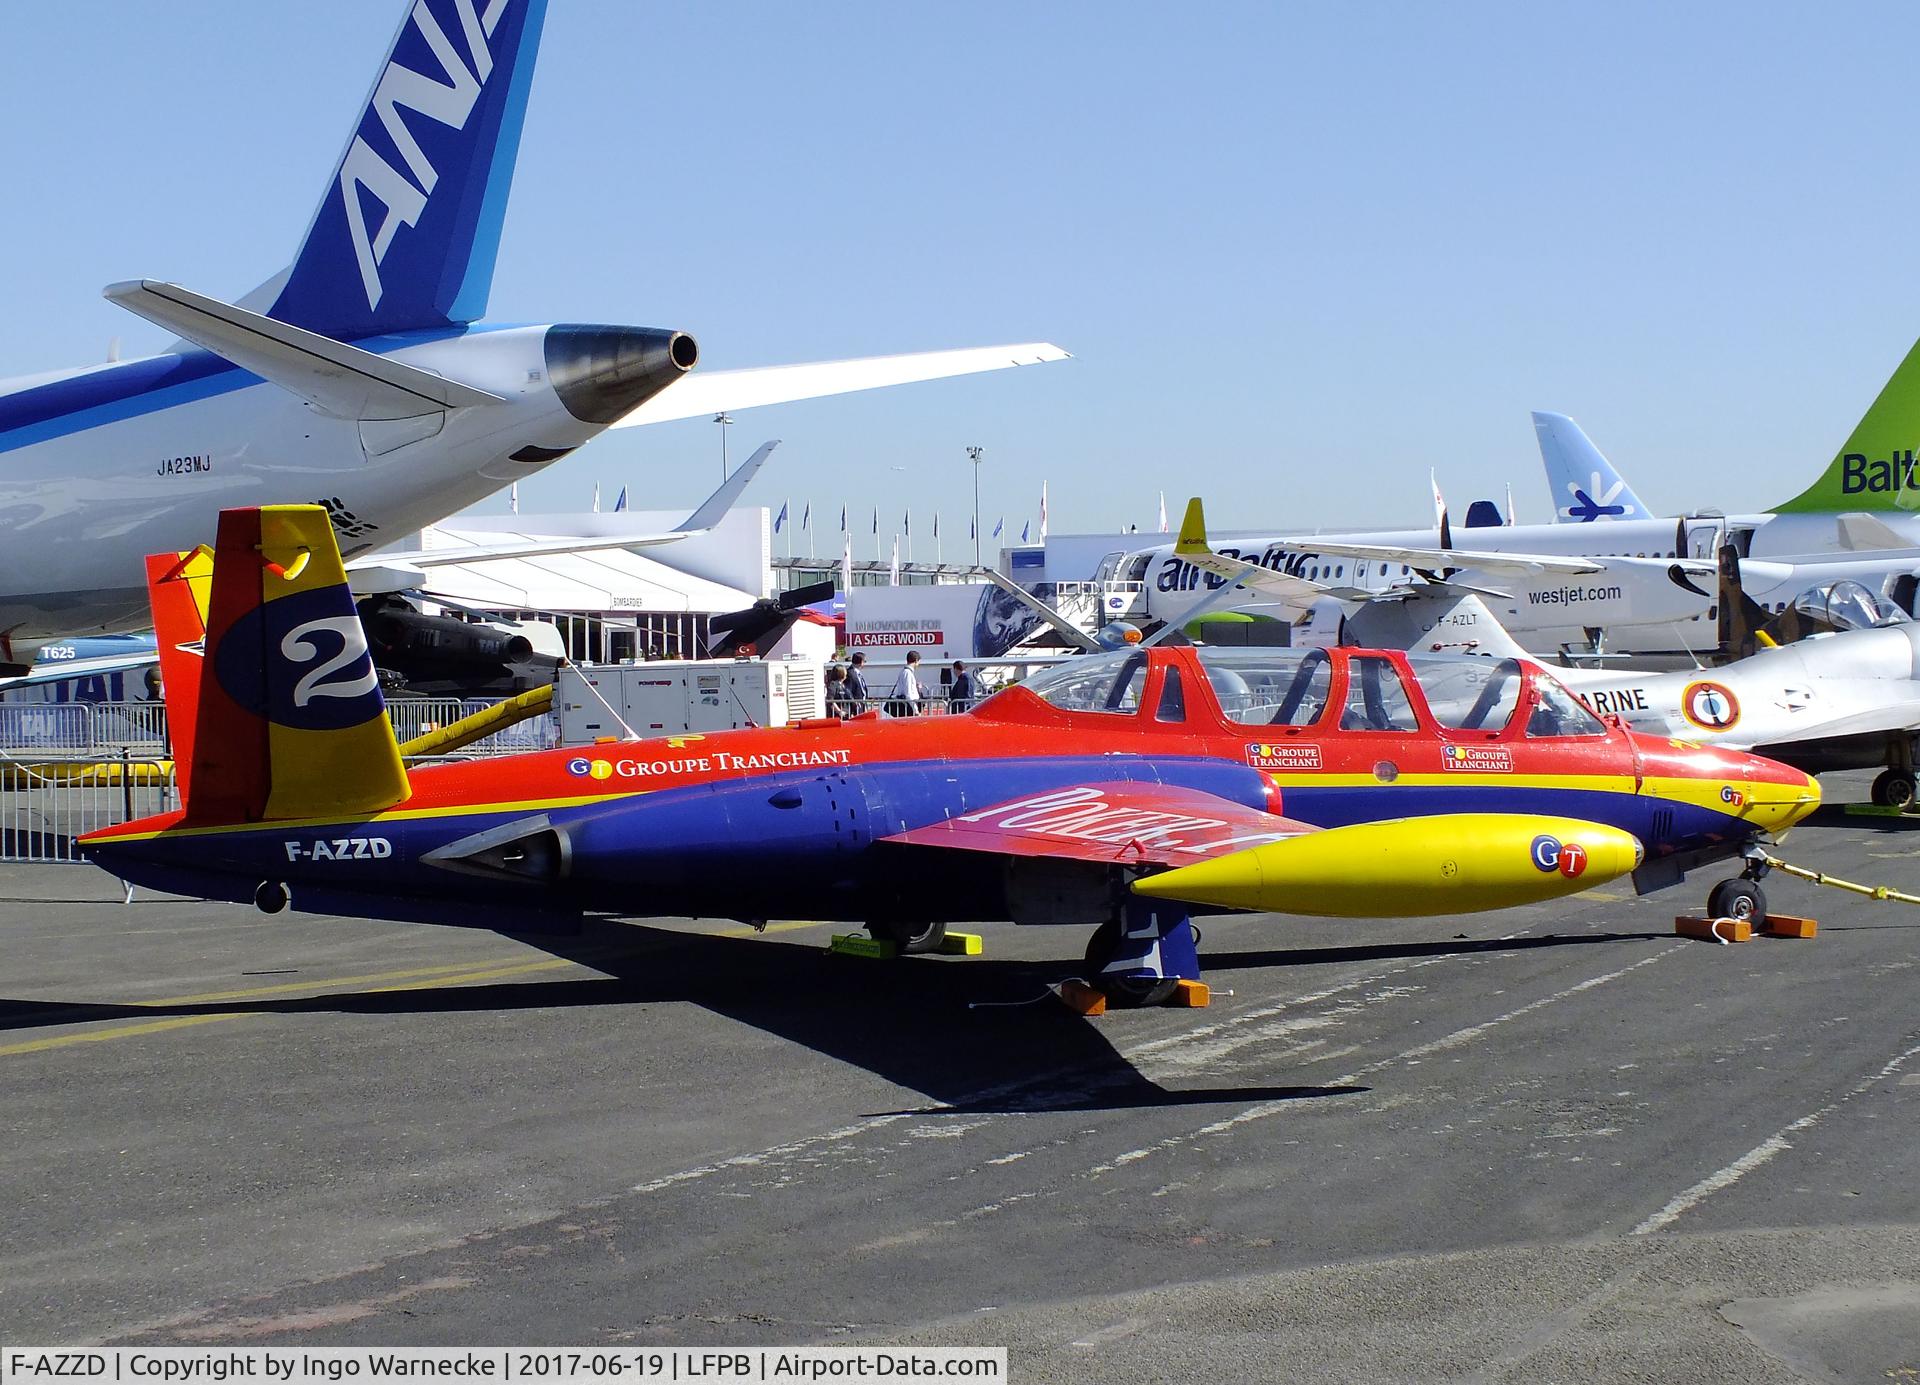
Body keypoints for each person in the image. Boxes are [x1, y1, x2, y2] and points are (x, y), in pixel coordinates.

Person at [886, 649, 924, 717]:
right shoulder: (908, 673)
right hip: (908, 707)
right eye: (918, 662)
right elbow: (908, 693)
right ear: (916, 661)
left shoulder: (905, 672)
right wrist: (915, 710)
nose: (918, 664)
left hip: (907, 705)